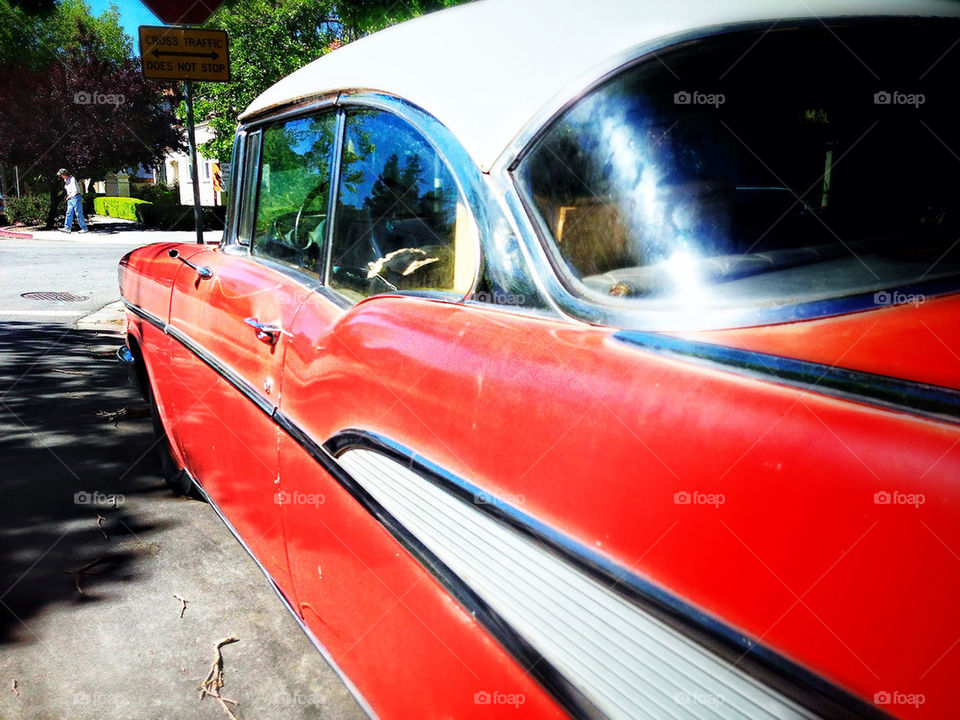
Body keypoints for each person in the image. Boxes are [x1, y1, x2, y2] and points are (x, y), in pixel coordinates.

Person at [58, 168, 88, 233]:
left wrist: (70, 196)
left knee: (78, 213)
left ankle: (84, 228)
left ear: (65, 174)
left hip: (76, 197)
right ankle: (67, 228)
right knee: (69, 212)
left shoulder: (72, 179)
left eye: (61, 175)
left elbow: (75, 190)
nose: (61, 176)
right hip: (70, 198)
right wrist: (69, 196)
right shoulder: (65, 180)